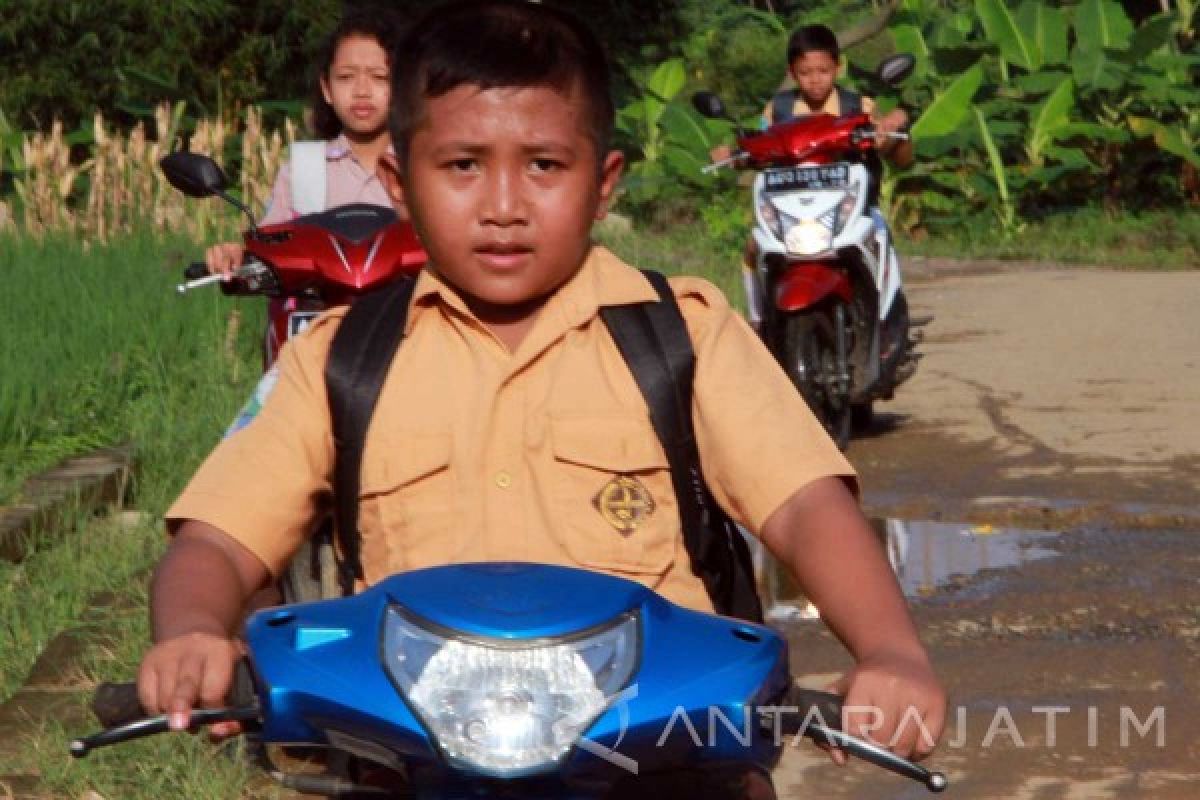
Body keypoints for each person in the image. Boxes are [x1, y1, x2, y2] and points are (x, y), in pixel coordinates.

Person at [136, 0, 945, 770]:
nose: (503, 207)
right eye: (461, 166)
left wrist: (891, 652)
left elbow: (805, 505)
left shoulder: (684, 337)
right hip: (412, 765)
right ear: (397, 180)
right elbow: (215, 537)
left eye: (545, 166)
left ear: (605, 180)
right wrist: (194, 631)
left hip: (664, 763)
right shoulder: (340, 360)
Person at [718, 23, 913, 331]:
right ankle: (757, 320)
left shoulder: (857, 105)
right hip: (793, 210)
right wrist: (732, 153)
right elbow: (760, 142)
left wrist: (892, 126)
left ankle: (884, 316)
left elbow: (886, 139)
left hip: (847, 208)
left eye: (822, 70)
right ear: (793, 72)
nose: (815, 80)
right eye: (805, 72)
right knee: (754, 247)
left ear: (838, 67)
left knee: (876, 236)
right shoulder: (777, 109)